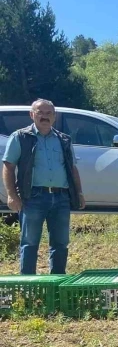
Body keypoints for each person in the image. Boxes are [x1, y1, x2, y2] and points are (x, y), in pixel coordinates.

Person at [2, 99, 85, 274]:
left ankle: (57, 284)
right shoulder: (20, 137)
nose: (45, 116)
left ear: (54, 117)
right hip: (33, 197)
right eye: (40, 112)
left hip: (61, 198)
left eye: (49, 113)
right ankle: (29, 287)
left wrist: (79, 192)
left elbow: (72, 168)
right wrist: (11, 195)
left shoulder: (64, 140)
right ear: (32, 115)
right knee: (30, 243)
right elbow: (8, 167)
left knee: (60, 244)